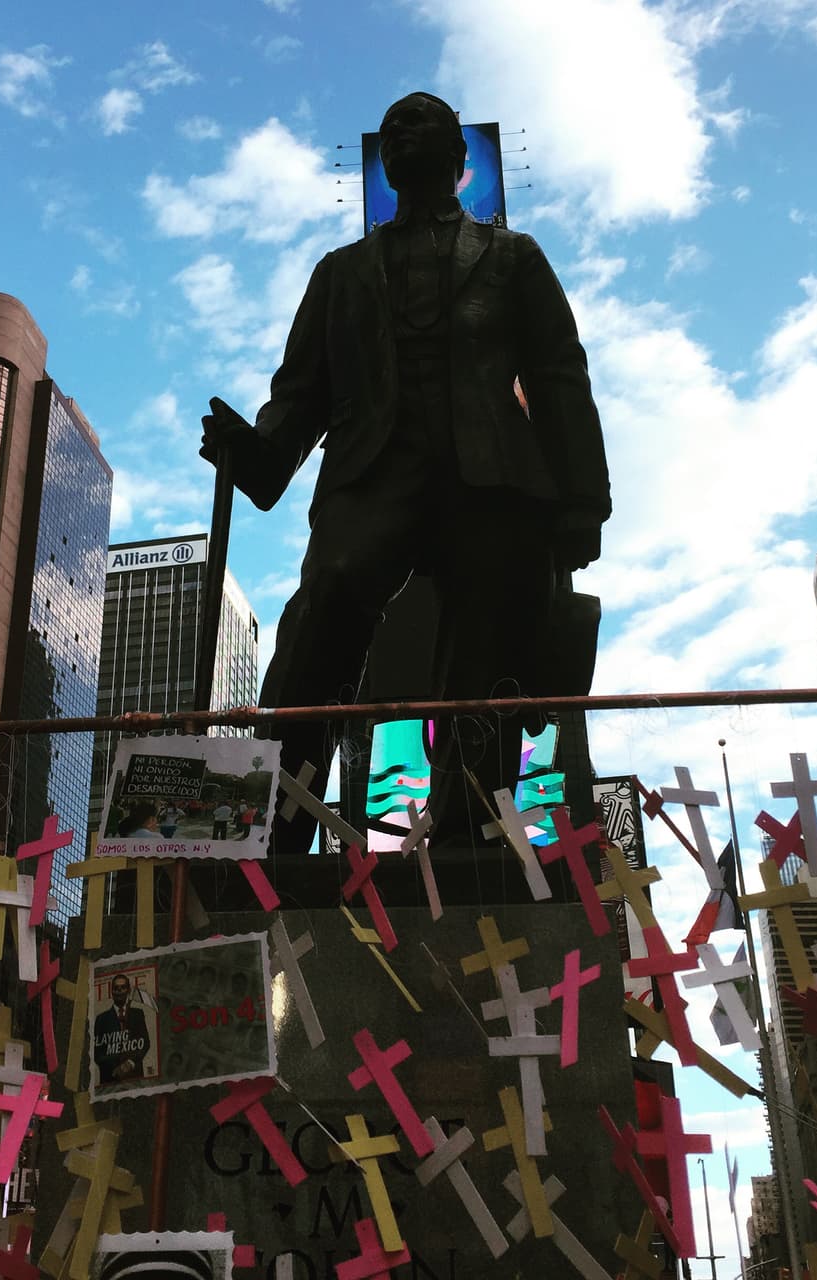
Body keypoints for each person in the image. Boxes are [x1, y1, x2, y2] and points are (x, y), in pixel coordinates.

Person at [201, 92, 608, 851]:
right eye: (392, 128)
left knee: (485, 651)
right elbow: (300, 395)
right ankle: (269, 831)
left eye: (421, 125)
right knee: (320, 618)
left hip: (491, 480)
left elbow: (559, 376)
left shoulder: (513, 257)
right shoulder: (341, 273)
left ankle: (468, 835)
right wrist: (254, 453)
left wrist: (583, 500)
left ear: (459, 160)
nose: (402, 134)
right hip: (371, 470)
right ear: (384, 165)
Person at [93, 974, 152, 1085]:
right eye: (116, 988)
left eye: (123, 987)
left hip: (135, 1078)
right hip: (110, 1080)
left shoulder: (138, 1014)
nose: (119, 991)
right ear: (112, 992)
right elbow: (97, 1052)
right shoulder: (101, 1019)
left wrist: (130, 1063)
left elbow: (145, 1043)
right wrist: (116, 1068)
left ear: (128, 990)